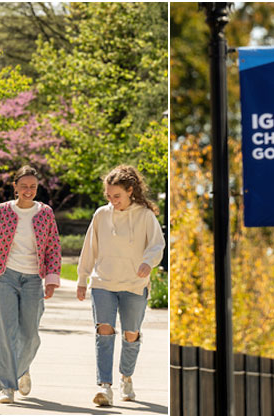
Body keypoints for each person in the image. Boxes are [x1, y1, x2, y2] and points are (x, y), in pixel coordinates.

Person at [0, 165, 63, 404]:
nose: (28, 191)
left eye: (33, 187)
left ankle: (21, 369)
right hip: (5, 276)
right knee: (5, 332)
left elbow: (53, 248)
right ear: (15, 187)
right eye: (24, 186)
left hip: (33, 279)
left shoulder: (46, 213)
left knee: (30, 335)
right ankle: (7, 386)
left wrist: (51, 279)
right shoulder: (2, 211)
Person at [76, 165, 165, 406]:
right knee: (104, 330)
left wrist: (148, 262)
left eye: (117, 196)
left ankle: (126, 376)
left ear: (130, 191)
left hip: (134, 285)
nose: (112, 201)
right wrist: (82, 279)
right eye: (109, 196)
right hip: (103, 282)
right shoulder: (101, 215)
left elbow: (157, 244)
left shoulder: (145, 215)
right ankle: (105, 387)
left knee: (130, 334)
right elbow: (89, 248)